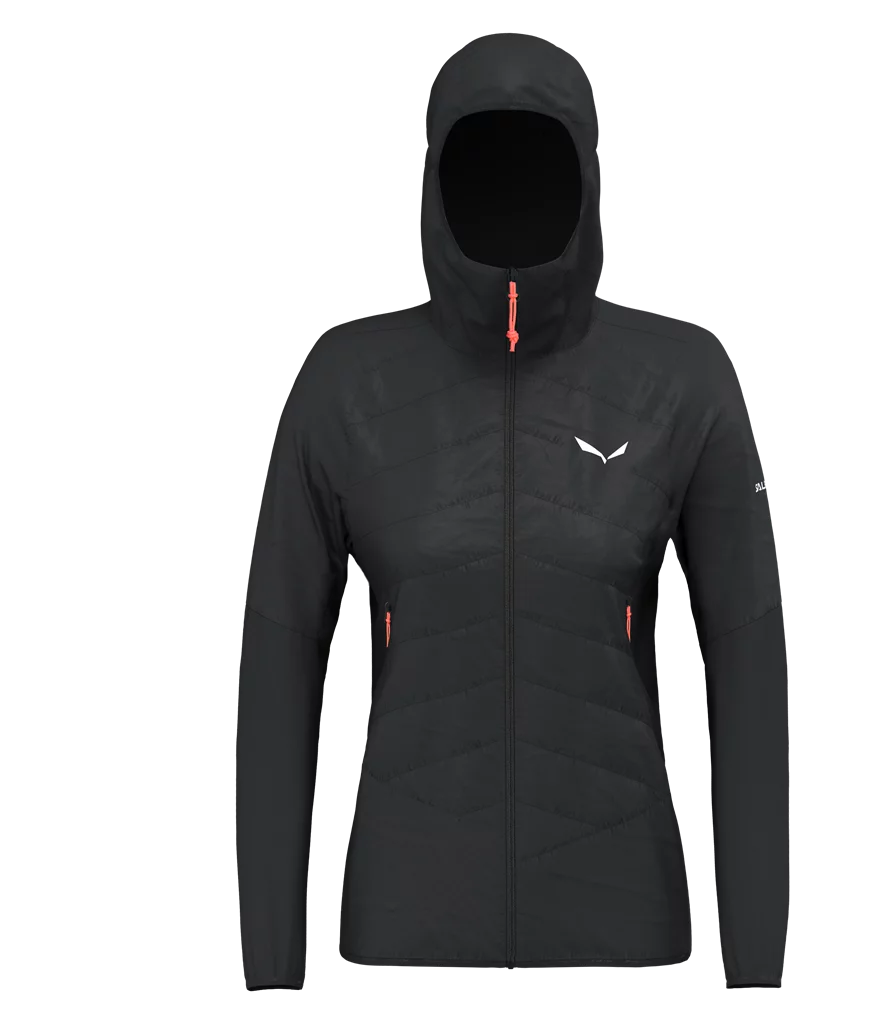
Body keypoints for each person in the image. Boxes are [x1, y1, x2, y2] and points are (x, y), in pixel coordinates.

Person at [238, 30, 787, 989]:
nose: (508, 184)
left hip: (623, 935)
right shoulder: (346, 384)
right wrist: (271, 966)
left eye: (542, 154)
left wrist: (757, 965)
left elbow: (749, 668)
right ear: (429, 181)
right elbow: (279, 668)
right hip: (404, 935)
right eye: (475, 154)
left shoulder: (683, 380)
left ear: (591, 178)